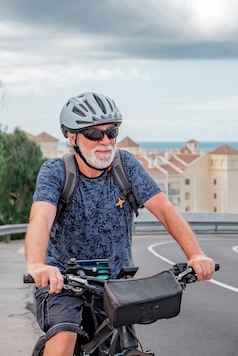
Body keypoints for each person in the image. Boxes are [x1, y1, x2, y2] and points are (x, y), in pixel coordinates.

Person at [25, 92, 215, 356]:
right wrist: (37, 264)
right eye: (93, 134)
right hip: (63, 282)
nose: (105, 141)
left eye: (112, 132)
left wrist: (195, 254)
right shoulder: (55, 172)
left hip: (115, 286)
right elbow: (41, 218)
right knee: (64, 338)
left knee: (123, 348)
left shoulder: (125, 166)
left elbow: (164, 210)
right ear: (72, 137)